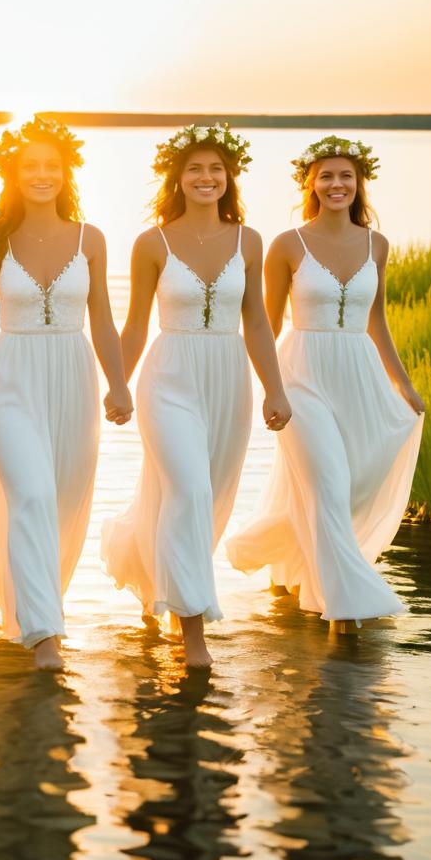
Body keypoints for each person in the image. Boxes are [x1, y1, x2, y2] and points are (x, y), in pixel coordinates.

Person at [0, 115, 133, 671]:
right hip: (9, 379)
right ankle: (44, 635)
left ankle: (31, 608)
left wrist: (119, 383)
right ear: (12, 171)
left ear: (67, 170)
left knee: (61, 504)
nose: (42, 174)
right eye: (31, 165)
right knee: (30, 493)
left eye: (52, 165)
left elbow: (102, 319)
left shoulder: (90, 239)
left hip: (74, 379)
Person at [102, 123, 290, 667]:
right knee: (188, 490)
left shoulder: (248, 240)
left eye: (215, 169)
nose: (206, 178)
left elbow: (256, 322)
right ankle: (194, 634)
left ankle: (150, 570)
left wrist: (273, 388)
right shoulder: (151, 243)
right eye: (195, 169)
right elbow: (134, 323)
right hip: (168, 377)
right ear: (177, 178)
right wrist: (116, 382)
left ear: (229, 177)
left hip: (228, 376)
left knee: (206, 498)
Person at [225, 136, 425, 631]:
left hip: (357, 373)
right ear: (310, 184)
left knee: (345, 482)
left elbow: (376, 321)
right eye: (327, 176)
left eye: (347, 177)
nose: (337, 185)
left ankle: (291, 549)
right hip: (301, 374)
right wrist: (262, 384)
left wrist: (402, 384)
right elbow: (265, 324)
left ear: (360, 186)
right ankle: (343, 607)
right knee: (330, 481)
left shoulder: (377, 245)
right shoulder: (287, 244)